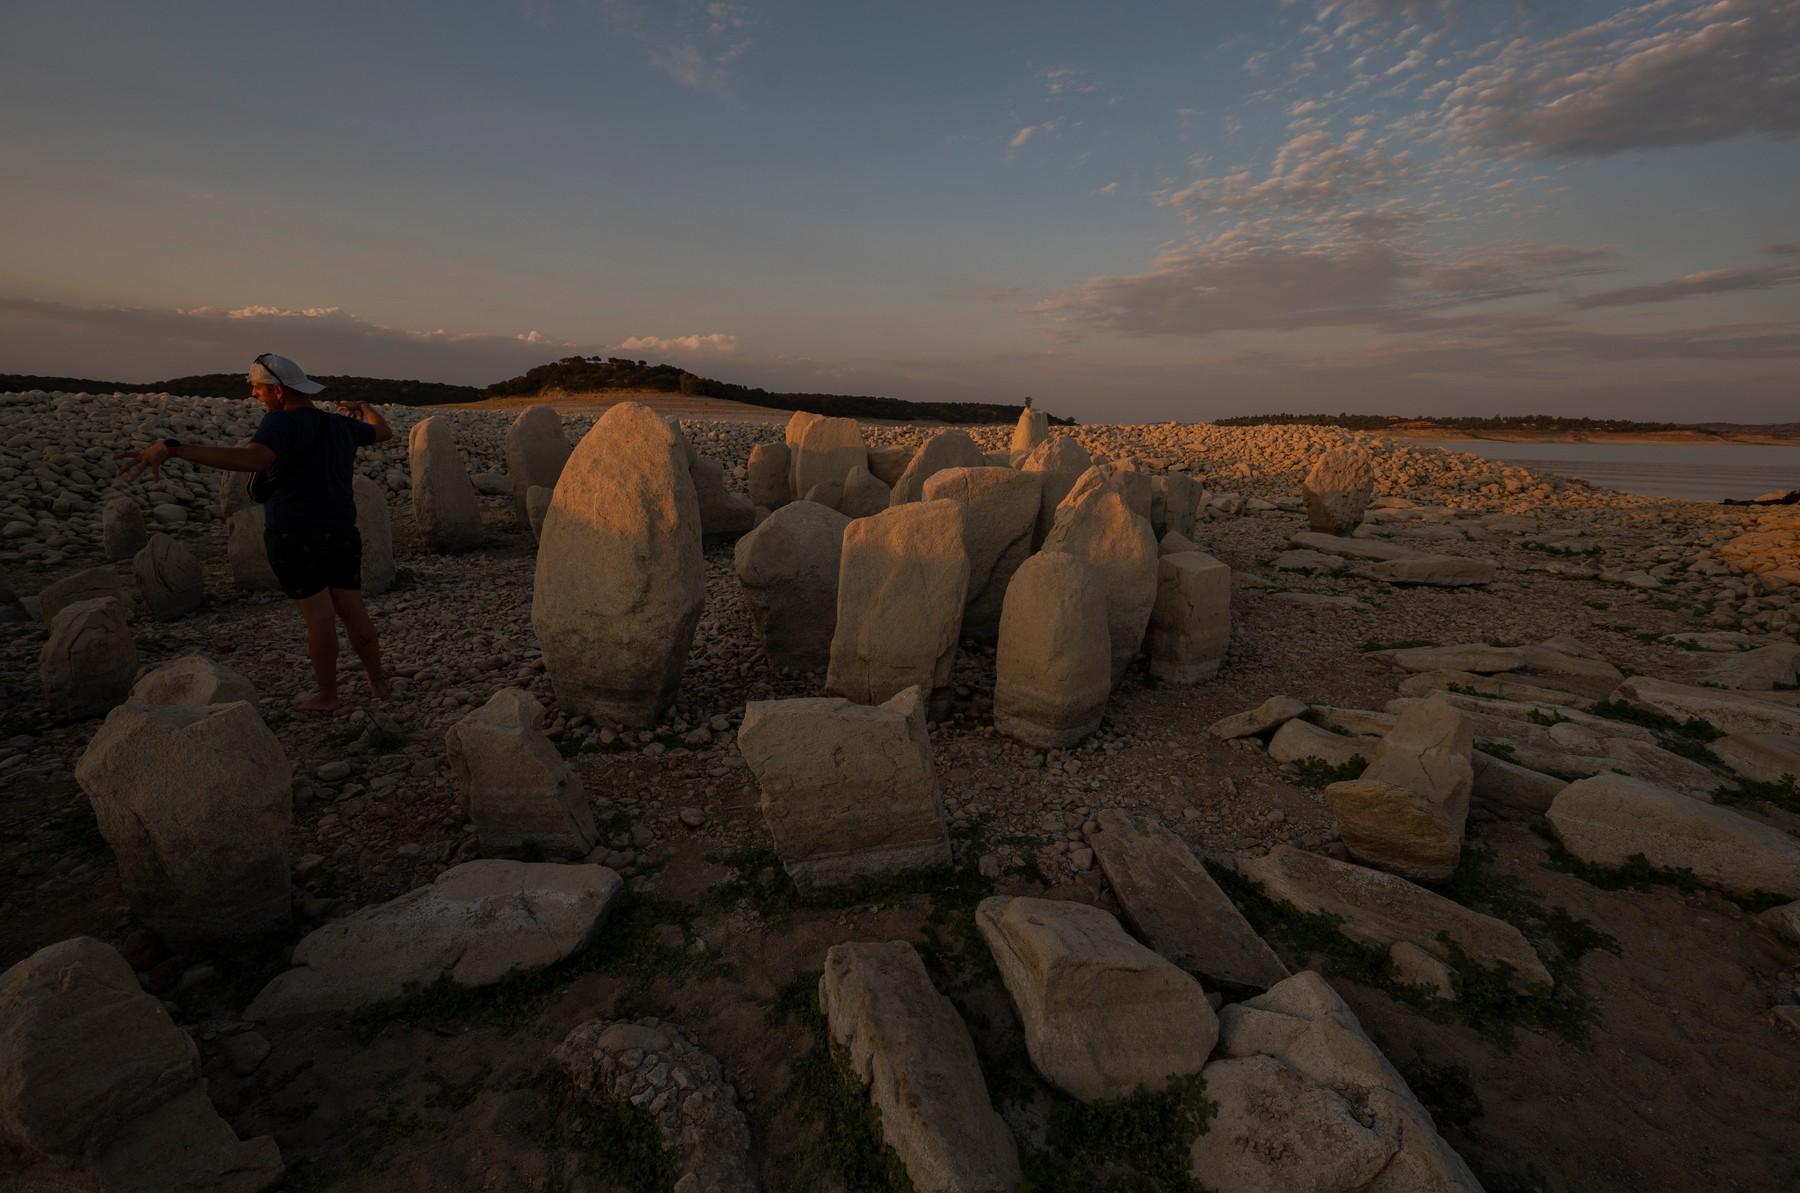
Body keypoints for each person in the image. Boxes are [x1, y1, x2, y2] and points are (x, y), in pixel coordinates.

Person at [117, 353, 394, 712]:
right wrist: (364, 407)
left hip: (294, 536)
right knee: (353, 610)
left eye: (257, 388)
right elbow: (383, 432)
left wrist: (175, 449)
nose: (253, 394)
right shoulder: (338, 424)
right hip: (341, 532)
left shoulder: (279, 424)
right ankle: (379, 683)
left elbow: (252, 460)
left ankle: (328, 696)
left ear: (279, 390)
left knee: (320, 618)